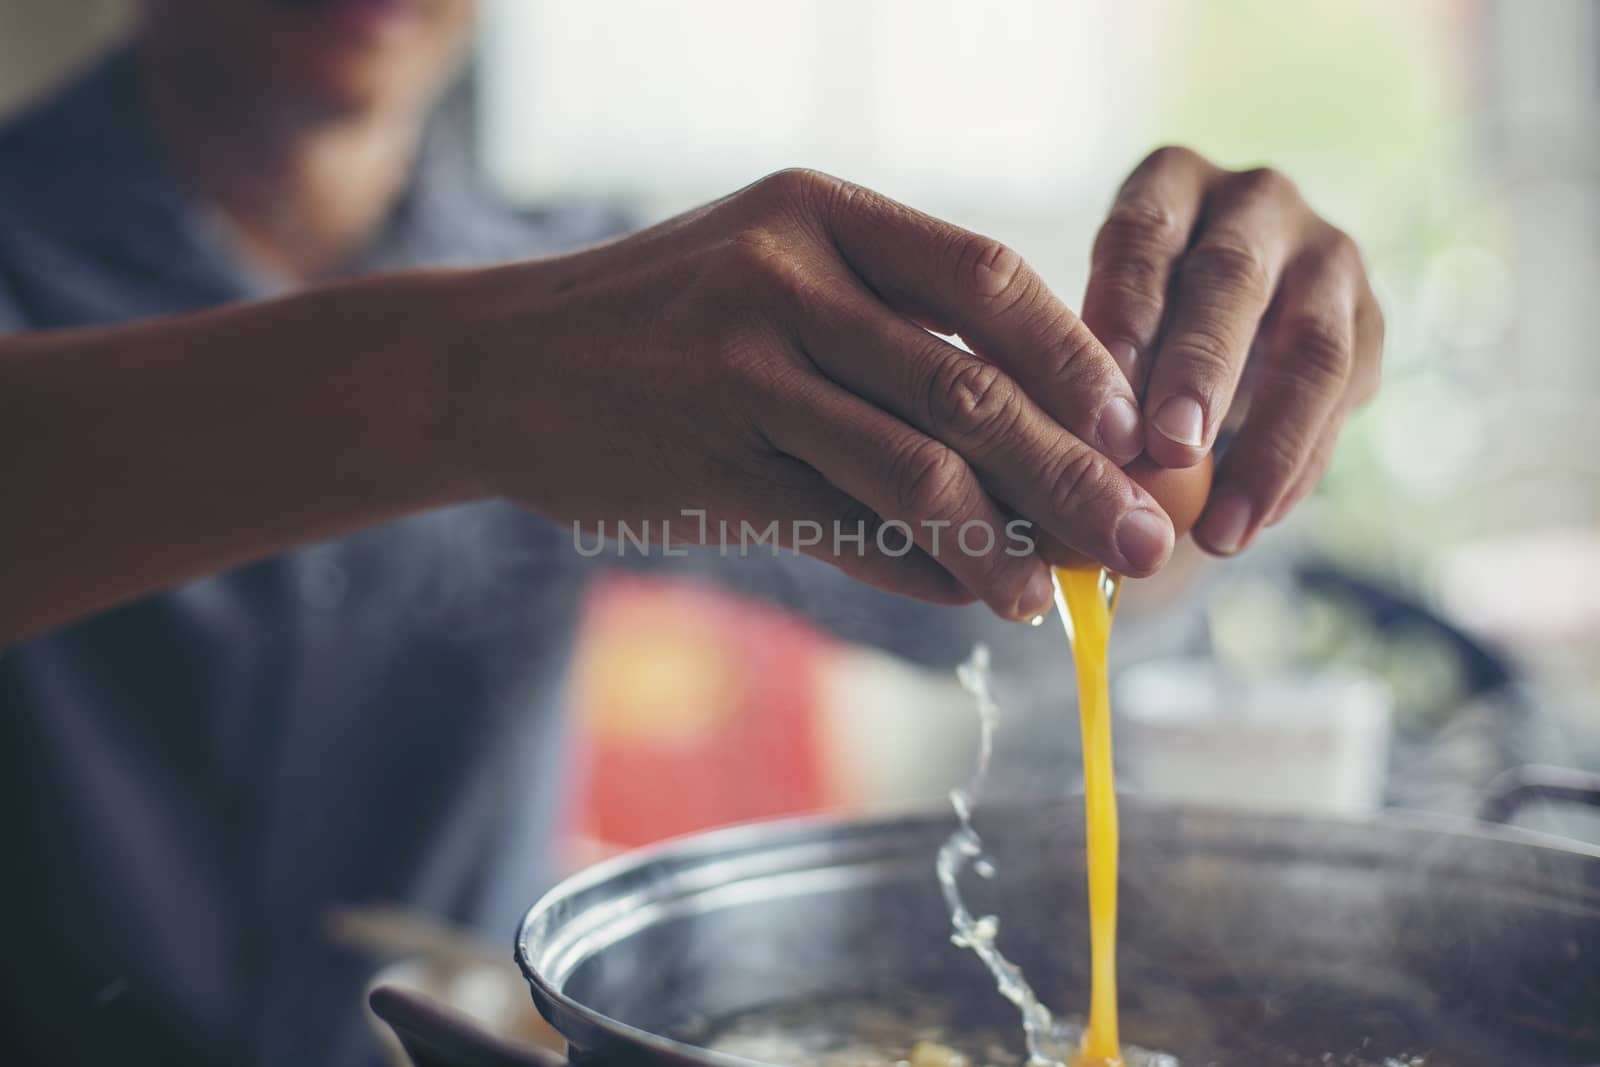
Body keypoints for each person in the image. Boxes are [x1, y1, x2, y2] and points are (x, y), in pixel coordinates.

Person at [0, 1, 1383, 1064]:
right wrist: (463, 380)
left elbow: (994, 580)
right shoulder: (555, 326)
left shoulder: (600, 298)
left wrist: (1205, 406)